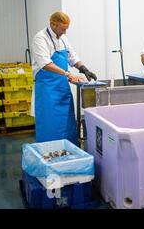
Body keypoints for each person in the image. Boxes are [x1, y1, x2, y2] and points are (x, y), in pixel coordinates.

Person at [31, 12, 97, 145]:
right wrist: (68, 74)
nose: (65, 32)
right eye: (63, 28)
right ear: (53, 24)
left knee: (66, 123)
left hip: (62, 88)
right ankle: (49, 153)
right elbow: (46, 64)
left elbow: (72, 56)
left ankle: (69, 151)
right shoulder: (40, 38)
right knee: (50, 123)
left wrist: (84, 69)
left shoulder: (63, 39)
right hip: (47, 90)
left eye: (67, 28)